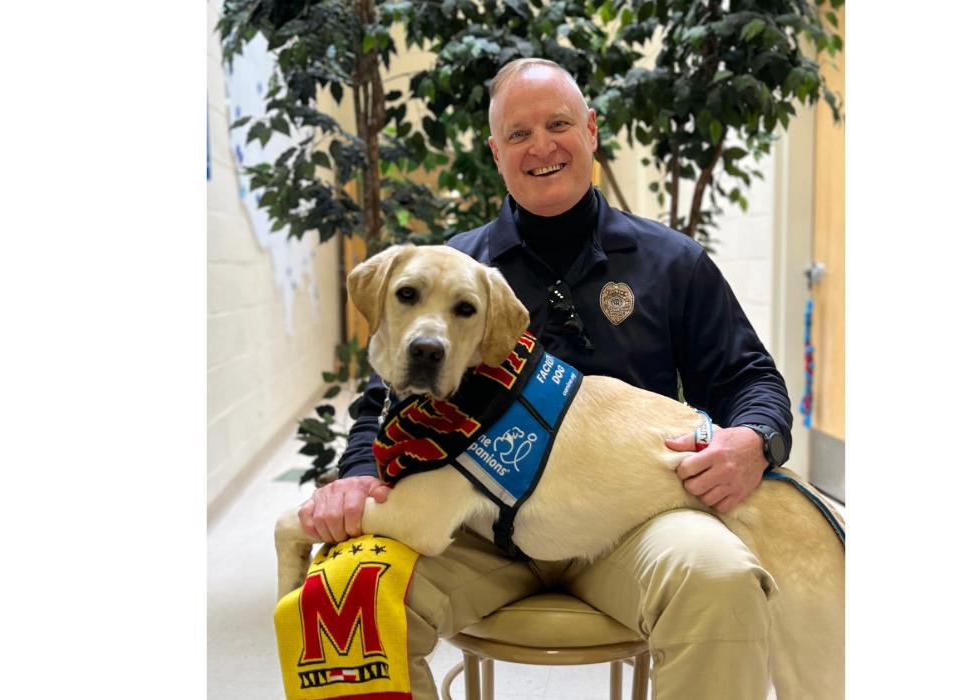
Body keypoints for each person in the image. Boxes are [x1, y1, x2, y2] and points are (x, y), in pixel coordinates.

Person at [298, 57, 793, 698]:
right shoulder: (453, 269)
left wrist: (753, 439)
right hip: (469, 527)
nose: (541, 147)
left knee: (720, 578)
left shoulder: (673, 262)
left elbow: (749, 376)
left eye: (558, 124)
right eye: (518, 133)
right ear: (495, 151)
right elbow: (381, 401)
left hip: (628, 527)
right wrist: (362, 470)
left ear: (590, 129)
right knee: (342, 596)